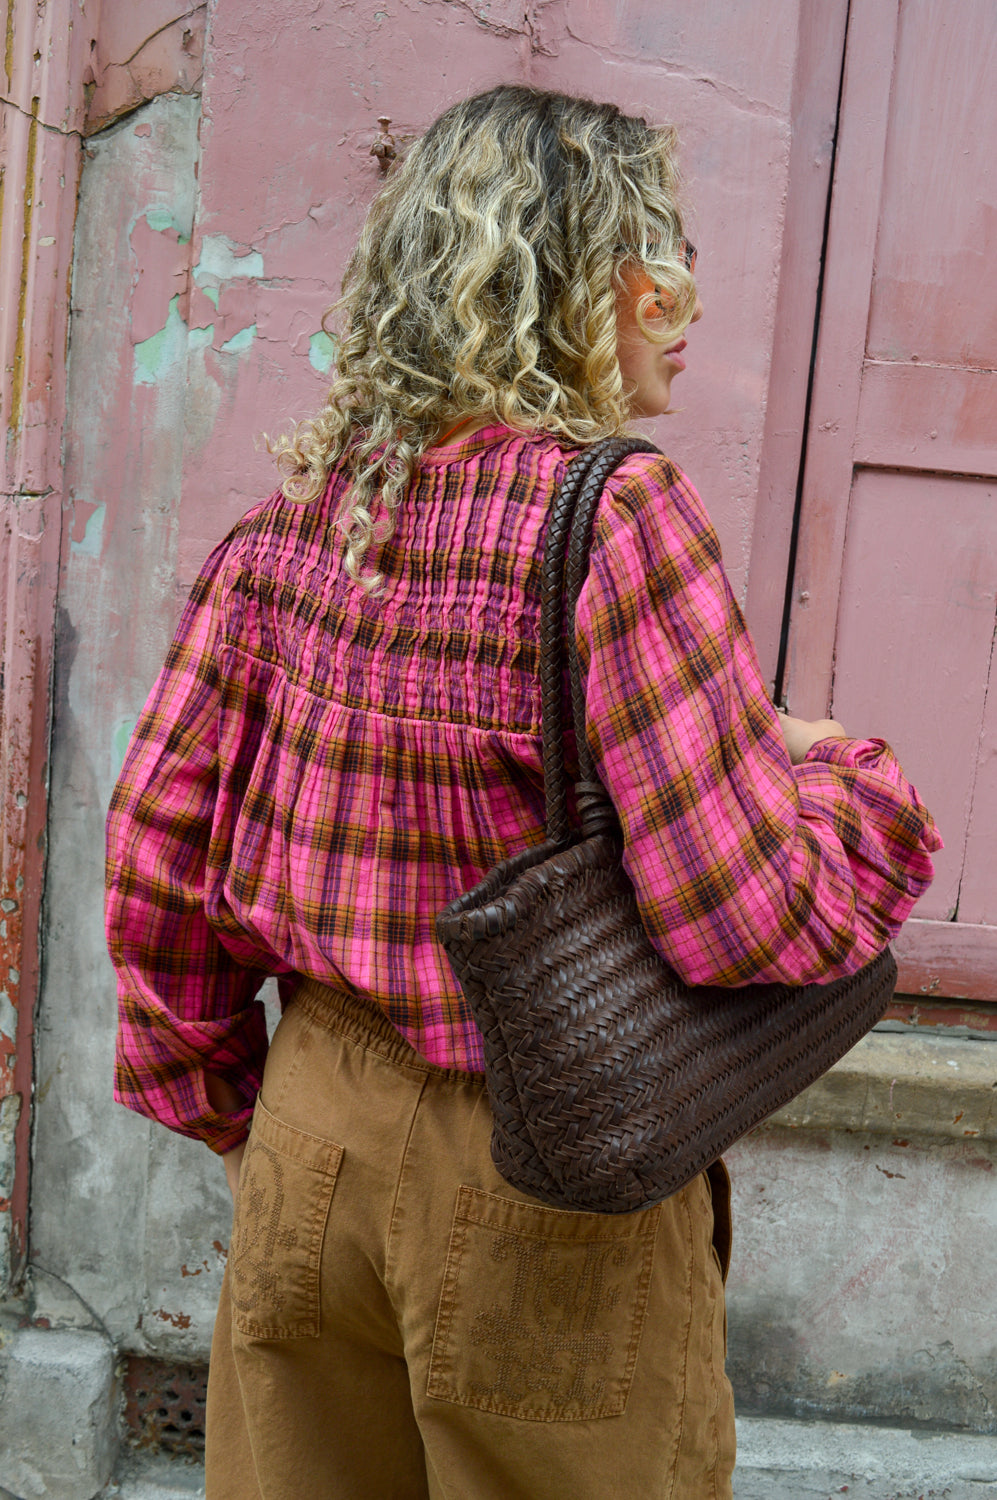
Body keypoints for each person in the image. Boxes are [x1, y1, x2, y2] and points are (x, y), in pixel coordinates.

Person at [105, 86, 940, 1499]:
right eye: (653, 264)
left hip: (310, 1129)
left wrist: (244, 1113)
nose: (683, 306)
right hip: (532, 1155)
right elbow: (742, 919)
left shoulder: (297, 519)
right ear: (563, 287)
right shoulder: (613, 516)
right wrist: (848, 779)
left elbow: (154, 864)